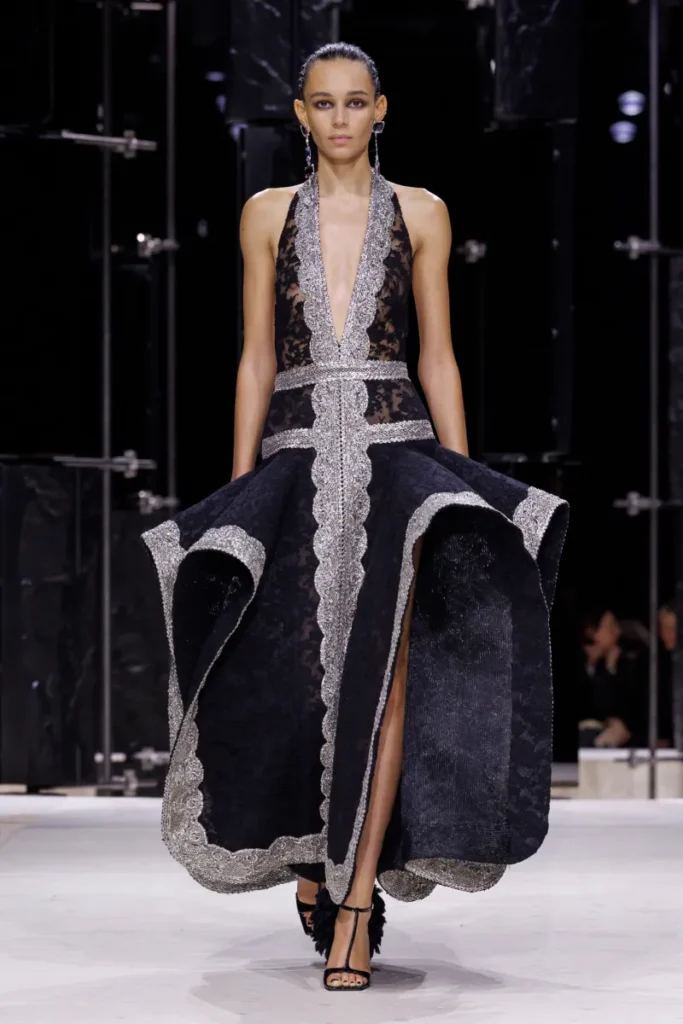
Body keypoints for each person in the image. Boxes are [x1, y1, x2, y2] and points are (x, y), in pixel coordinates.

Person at [142, 42, 569, 992]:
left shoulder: (422, 211)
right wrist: (239, 492)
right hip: (295, 463)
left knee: (388, 683)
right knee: (301, 680)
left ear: (382, 109)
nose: (339, 117)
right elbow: (257, 356)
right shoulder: (265, 214)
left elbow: (437, 354)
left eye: (355, 102)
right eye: (323, 103)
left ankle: (355, 904)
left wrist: (459, 479)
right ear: (300, 115)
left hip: (396, 460)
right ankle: (314, 854)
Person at [578, 607, 641, 747]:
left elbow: (617, 710)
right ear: (592, 632)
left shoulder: (622, 663)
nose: (618, 632)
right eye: (611, 628)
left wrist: (610, 669)